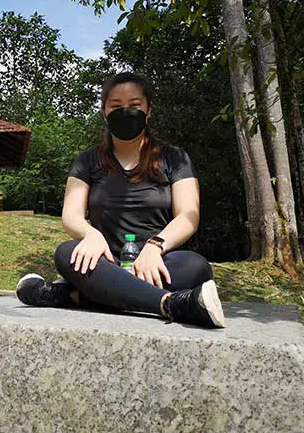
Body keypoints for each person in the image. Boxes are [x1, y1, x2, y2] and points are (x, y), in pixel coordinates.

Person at [16, 72, 225, 328]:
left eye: (135, 105)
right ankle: (172, 304)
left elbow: (188, 216)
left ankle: (72, 295)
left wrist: (155, 246)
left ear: (148, 111)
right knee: (66, 253)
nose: (126, 112)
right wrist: (90, 234)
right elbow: (71, 215)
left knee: (198, 267)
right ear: (104, 111)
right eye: (116, 106)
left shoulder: (175, 158)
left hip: (157, 262)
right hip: (104, 263)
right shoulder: (87, 161)